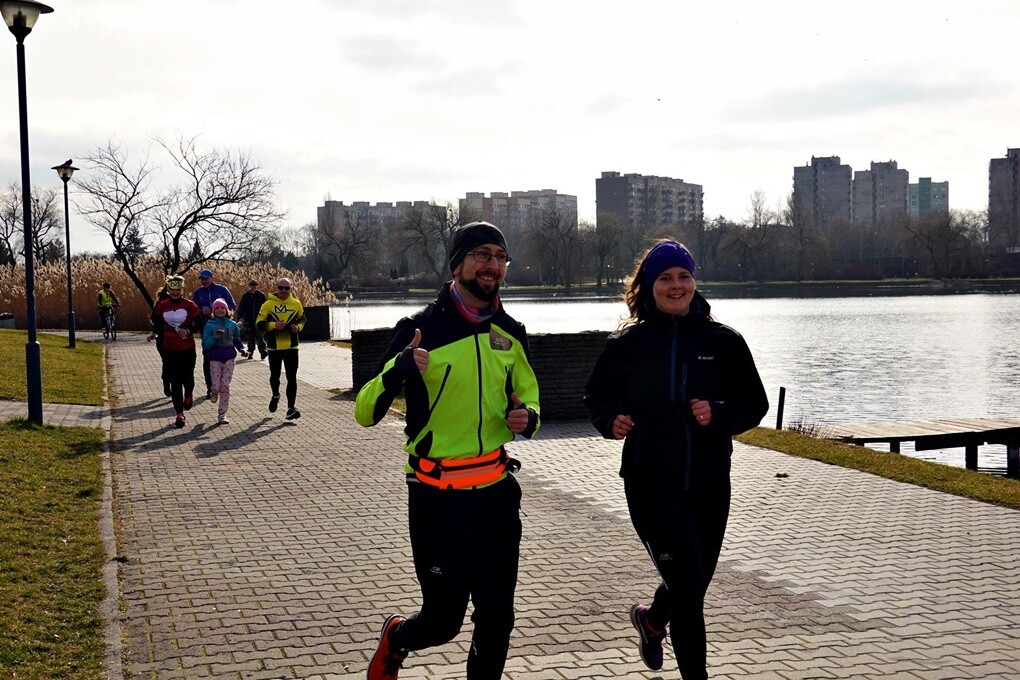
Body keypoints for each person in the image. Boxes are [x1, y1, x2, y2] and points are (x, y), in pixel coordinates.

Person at [355, 221, 541, 680]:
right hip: (438, 499)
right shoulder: (420, 328)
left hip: (497, 494)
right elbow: (364, 411)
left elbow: (531, 397)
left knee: (497, 618)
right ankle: (397, 637)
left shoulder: (511, 331)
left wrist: (529, 418)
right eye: (481, 254)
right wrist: (398, 369)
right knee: (442, 622)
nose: (492, 264)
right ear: (457, 263)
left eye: (500, 256)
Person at [584, 240, 768, 679]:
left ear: (694, 282)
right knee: (688, 591)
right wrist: (610, 420)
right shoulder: (628, 343)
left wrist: (719, 413)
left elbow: (754, 403)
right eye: (665, 278)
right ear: (649, 285)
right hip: (652, 486)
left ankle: (651, 620)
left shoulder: (723, 340)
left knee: (693, 582)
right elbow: (596, 396)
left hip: (709, 486)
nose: (676, 285)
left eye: (683, 276)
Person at [149, 275, 202, 429]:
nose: (175, 292)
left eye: (178, 290)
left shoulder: (189, 305)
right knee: (175, 381)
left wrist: (188, 330)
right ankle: (179, 414)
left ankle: (189, 394)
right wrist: (155, 333)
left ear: (182, 290)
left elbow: (199, 323)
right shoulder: (162, 306)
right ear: (168, 290)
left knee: (188, 378)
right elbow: (157, 322)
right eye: (172, 290)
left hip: (187, 348)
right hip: (169, 348)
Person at [255, 277, 306, 420]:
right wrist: (272, 325)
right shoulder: (268, 304)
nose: (283, 291)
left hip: (291, 347)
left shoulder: (296, 304)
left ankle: (291, 408)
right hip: (274, 348)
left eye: (287, 288)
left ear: (291, 289)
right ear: (276, 288)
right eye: (281, 288)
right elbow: (259, 323)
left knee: (292, 377)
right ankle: (275, 395)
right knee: (275, 376)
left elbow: (303, 319)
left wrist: (298, 327)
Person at [192, 268, 236, 399]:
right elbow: (193, 310)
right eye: (202, 279)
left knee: (225, 358)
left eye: (206, 278)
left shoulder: (222, 290)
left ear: (212, 278)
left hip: (224, 329)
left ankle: (223, 385)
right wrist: (201, 311)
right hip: (207, 329)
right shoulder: (198, 292)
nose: (204, 281)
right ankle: (210, 388)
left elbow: (232, 306)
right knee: (208, 358)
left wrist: (222, 315)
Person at [201, 298, 246, 424]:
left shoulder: (232, 325)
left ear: (227, 310)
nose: (220, 310)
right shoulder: (209, 325)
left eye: (222, 308)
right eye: (217, 308)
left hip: (229, 357)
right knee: (216, 386)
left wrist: (242, 349)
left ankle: (222, 413)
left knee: (225, 386)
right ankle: (214, 391)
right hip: (215, 358)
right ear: (214, 311)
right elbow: (205, 345)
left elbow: (236, 338)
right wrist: (214, 338)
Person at [146, 285, 172, 397]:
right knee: (167, 362)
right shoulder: (159, 305)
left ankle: (170, 383)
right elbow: (155, 321)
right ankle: (167, 383)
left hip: (172, 338)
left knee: (170, 363)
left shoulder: (177, 305)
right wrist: (155, 333)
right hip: (163, 338)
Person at [237, 279, 268, 360]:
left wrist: (265, 317)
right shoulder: (245, 296)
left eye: (255, 285)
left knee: (260, 336)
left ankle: (263, 352)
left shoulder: (261, 295)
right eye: (252, 285)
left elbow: (265, 307)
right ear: (249, 286)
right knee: (250, 337)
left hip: (258, 320)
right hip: (248, 320)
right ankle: (250, 352)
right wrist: (240, 318)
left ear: (257, 286)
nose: (253, 286)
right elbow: (241, 308)